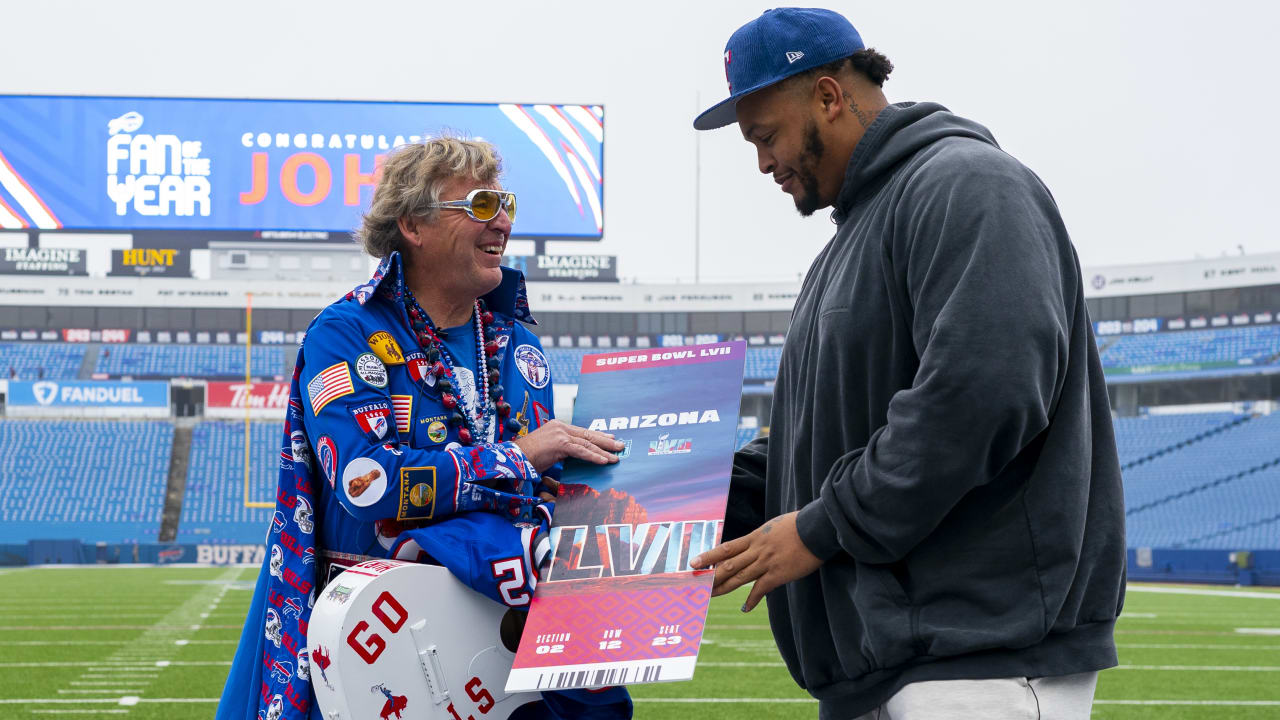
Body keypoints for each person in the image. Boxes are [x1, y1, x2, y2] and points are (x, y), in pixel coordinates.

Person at [689, 9, 1126, 720]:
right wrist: (682, 501)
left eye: (765, 137)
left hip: (978, 663)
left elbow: (983, 393)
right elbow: (819, 440)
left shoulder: (968, 184)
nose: (764, 162)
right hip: (890, 663)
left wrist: (819, 526)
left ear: (829, 97)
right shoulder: (847, 243)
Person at [218, 136, 631, 720]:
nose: (504, 222)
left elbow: (547, 489)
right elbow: (366, 484)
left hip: (498, 657)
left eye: (506, 202)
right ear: (414, 225)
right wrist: (516, 458)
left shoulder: (519, 345)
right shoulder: (346, 333)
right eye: (482, 205)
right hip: (382, 653)